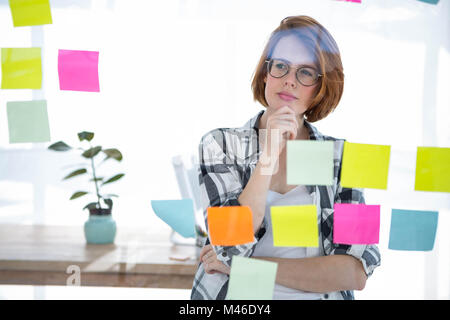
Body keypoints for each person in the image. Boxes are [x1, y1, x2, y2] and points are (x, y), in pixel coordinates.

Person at [190, 15, 381, 300]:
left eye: (305, 72)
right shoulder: (220, 144)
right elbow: (230, 247)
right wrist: (267, 157)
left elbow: (354, 273)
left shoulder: (346, 157)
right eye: (280, 66)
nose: (289, 81)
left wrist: (245, 267)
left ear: (321, 86)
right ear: (266, 73)